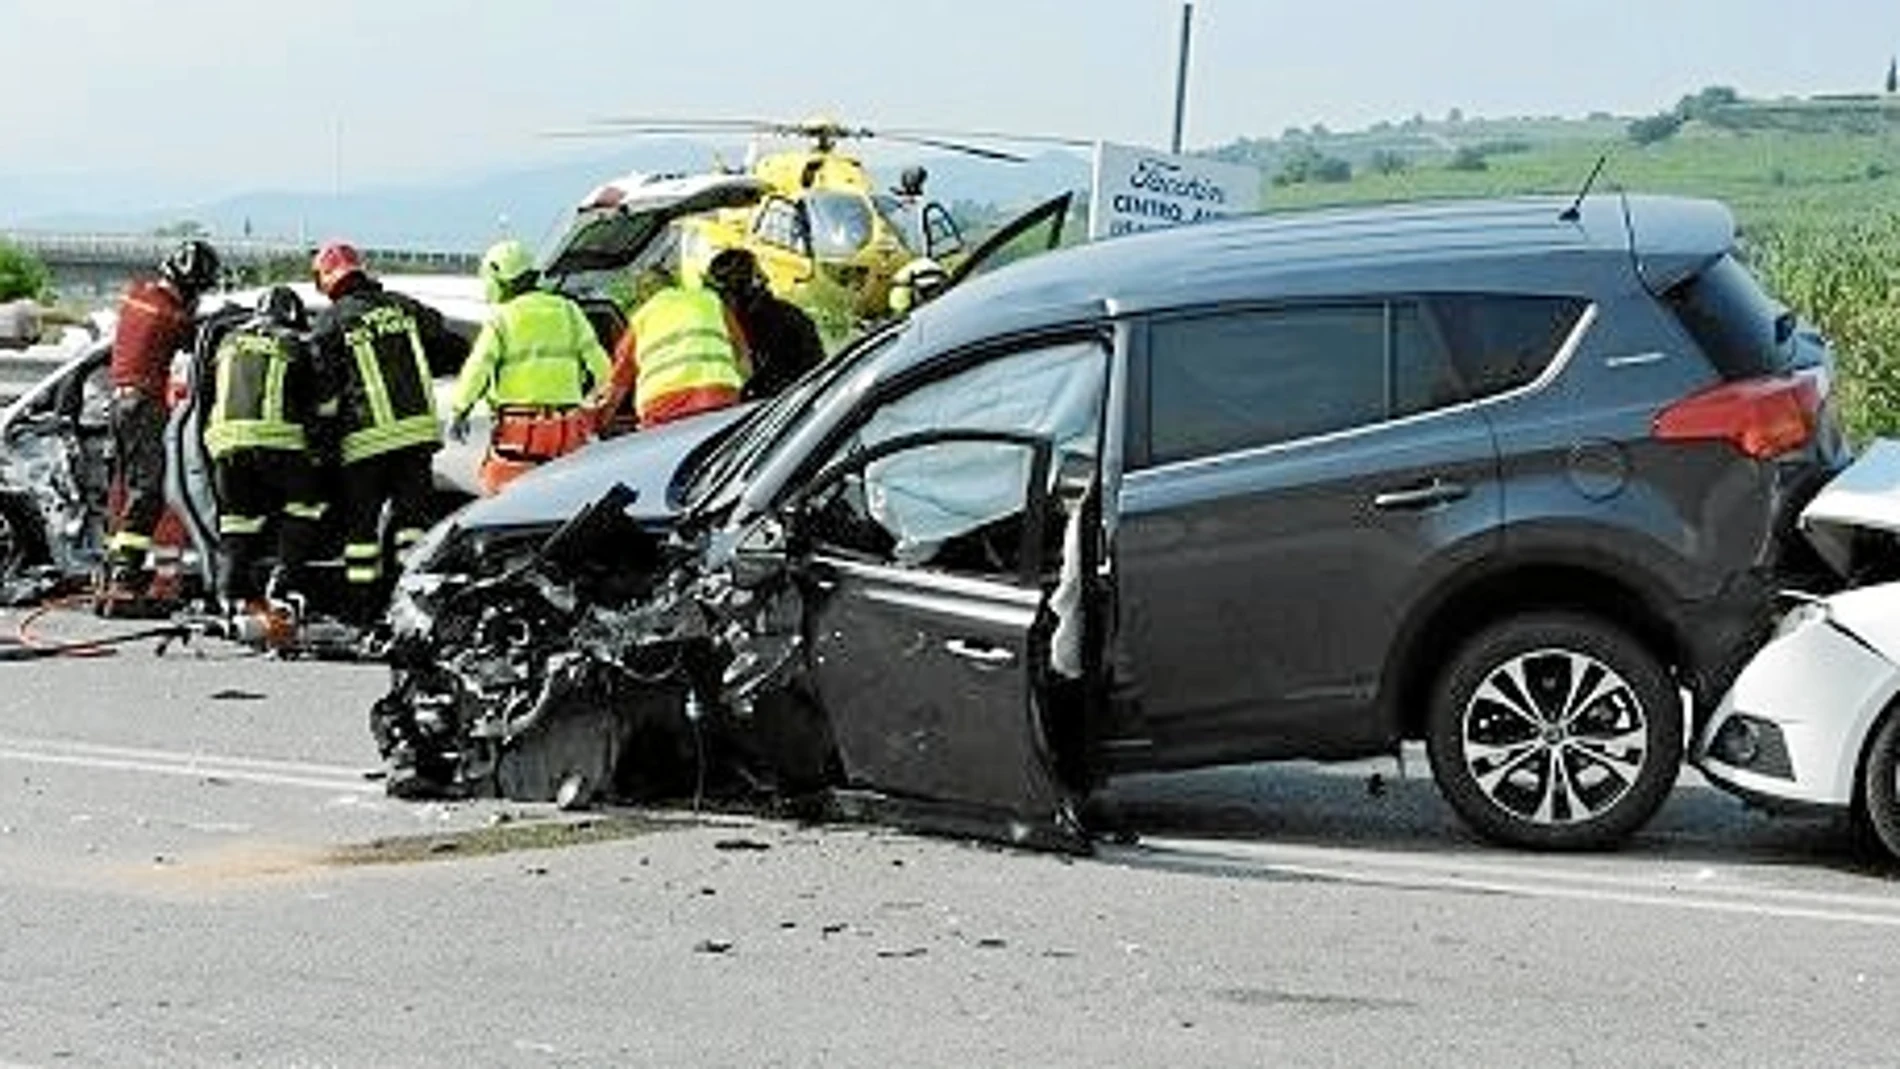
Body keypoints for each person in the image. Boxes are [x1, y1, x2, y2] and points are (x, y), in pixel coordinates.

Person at [307, 241, 467, 624]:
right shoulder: (405, 308)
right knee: (410, 529)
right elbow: (453, 348)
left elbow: (321, 392)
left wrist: (320, 443)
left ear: (327, 280)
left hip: (365, 442)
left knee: (361, 533)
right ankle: (409, 608)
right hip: (415, 439)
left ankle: (362, 611)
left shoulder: (331, 322)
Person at [103, 239, 221, 595]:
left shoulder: (136, 295)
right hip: (144, 406)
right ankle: (125, 575)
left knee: (126, 491)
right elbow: (196, 341)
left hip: (119, 405)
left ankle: (115, 570)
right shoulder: (173, 316)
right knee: (149, 491)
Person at [449, 240, 610, 495]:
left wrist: (460, 409)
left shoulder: (502, 319)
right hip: (567, 427)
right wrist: (596, 403)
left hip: (521, 431)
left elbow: (478, 367)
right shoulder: (569, 311)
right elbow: (601, 367)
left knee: (505, 499)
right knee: (565, 495)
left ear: (500, 277)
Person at [202, 286, 324, 609]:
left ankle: (228, 593)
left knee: (237, 520)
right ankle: (284, 580)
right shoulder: (293, 344)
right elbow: (318, 402)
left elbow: (205, 393)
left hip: (225, 446)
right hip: (277, 443)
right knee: (304, 505)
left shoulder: (227, 342)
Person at [590, 269, 749, 432]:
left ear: (643, 296)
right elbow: (743, 355)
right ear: (673, 284)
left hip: (664, 406)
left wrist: (600, 424)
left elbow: (618, 383)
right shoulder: (710, 300)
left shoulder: (641, 319)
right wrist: (740, 388)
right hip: (720, 396)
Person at [704, 248, 824, 402]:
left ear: (741, 290)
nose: (719, 302)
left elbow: (769, 384)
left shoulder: (780, 324)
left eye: (723, 295)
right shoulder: (731, 320)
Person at [0, 298, 94, 351]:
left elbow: (50, 315)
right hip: (17, 328)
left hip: (18, 320)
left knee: (39, 314)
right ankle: (83, 321)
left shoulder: (21, 312)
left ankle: (84, 321)